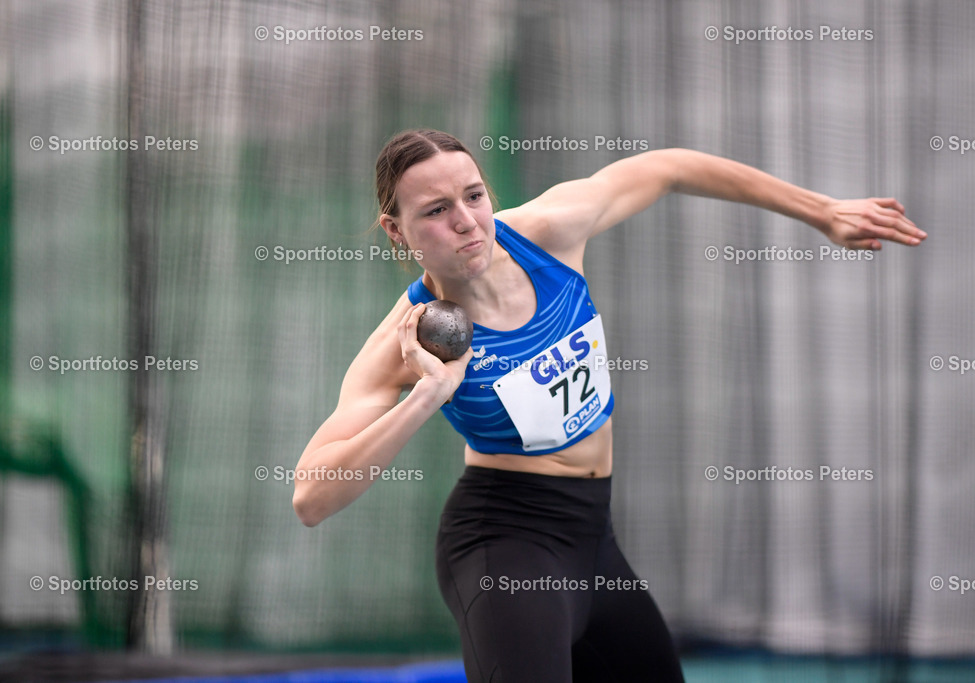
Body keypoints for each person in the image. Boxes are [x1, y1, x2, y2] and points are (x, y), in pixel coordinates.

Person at [292, 129, 926, 682]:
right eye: (436, 210)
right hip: (507, 543)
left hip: (595, 538)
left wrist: (822, 211)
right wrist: (428, 395)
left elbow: (668, 167)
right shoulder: (403, 342)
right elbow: (311, 498)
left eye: (474, 195)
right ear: (396, 230)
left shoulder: (548, 232)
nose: (467, 221)